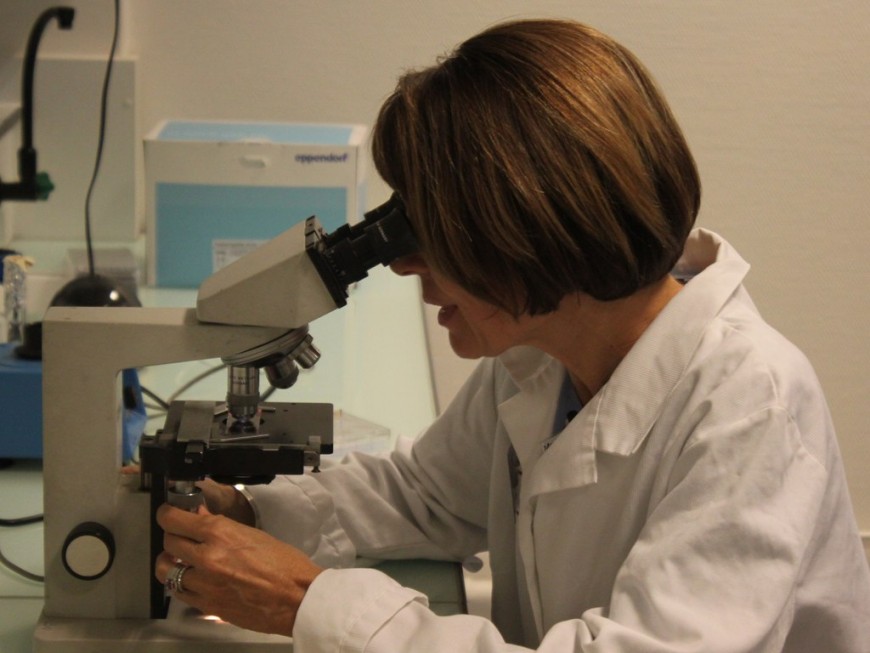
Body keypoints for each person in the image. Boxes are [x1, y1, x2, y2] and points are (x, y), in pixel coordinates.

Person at [155, 18, 870, 652]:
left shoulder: (750, 407)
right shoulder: (544, 355)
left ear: (527, 234)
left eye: (427, 234)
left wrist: (308, 604)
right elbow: (428, 493)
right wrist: (251, 513)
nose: (403, 265)